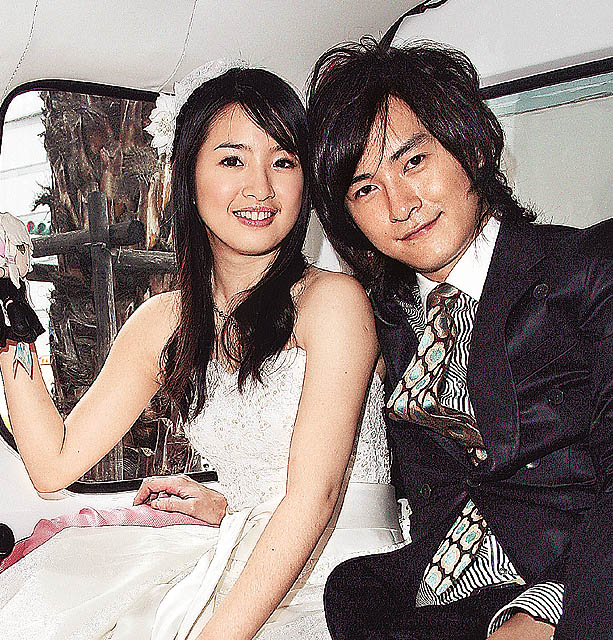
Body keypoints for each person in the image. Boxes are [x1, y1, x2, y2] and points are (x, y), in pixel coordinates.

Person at [0, 65, 402, 640]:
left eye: (283, 161)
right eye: (233, 161)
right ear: (187, 176)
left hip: (343, 577)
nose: (260, 188)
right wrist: (8, 308)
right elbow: (51, 464)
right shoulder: (162, 323)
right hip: (240, 558)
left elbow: (313, 502)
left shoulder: (333, 303)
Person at [307, 38, 613, 640]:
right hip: (440, 594)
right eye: (365, 189)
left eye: (413, 162)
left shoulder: (584, 271)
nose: (400, 205)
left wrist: (550, 611)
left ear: (471, 147)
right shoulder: (383, 321)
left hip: (576, 587)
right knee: (350, 590)